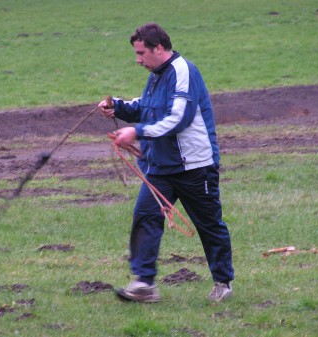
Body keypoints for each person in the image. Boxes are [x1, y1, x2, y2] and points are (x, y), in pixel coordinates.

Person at [98, 22, 234, 303]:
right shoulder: (156, 75)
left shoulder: (183, 71)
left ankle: (223, 282)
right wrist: (118, 107)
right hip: (159, 167)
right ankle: (144, 284)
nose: (138, 60)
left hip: (194, 166)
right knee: (145, 217)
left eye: (141, 53)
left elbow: (178, 118)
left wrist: (136, 131)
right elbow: (146, 107)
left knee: (209, 225)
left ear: (158, 48)